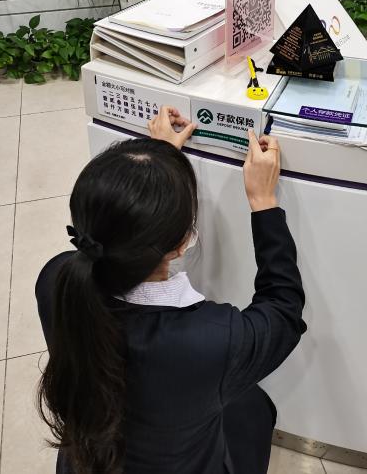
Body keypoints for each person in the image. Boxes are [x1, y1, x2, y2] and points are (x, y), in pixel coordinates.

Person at [35, 105, 306, 474]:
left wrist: (157, 166)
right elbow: (283, 311)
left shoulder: (56, 280)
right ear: (181, 244)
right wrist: (264, 202)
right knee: (253, 407)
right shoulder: (208, 339)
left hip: (86, 463)